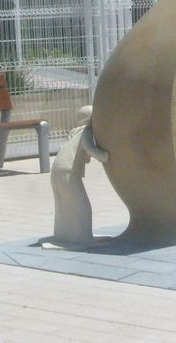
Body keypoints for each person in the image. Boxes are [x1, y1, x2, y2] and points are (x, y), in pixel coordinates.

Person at [46, 105, 109, 249]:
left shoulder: (73, 132)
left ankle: (64, 235)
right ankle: (83, 239)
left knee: (64, 206)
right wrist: (105, 156)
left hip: (56, 172)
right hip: (68, 172)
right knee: (82, 207)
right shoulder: (85, 132)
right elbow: (90, 149)